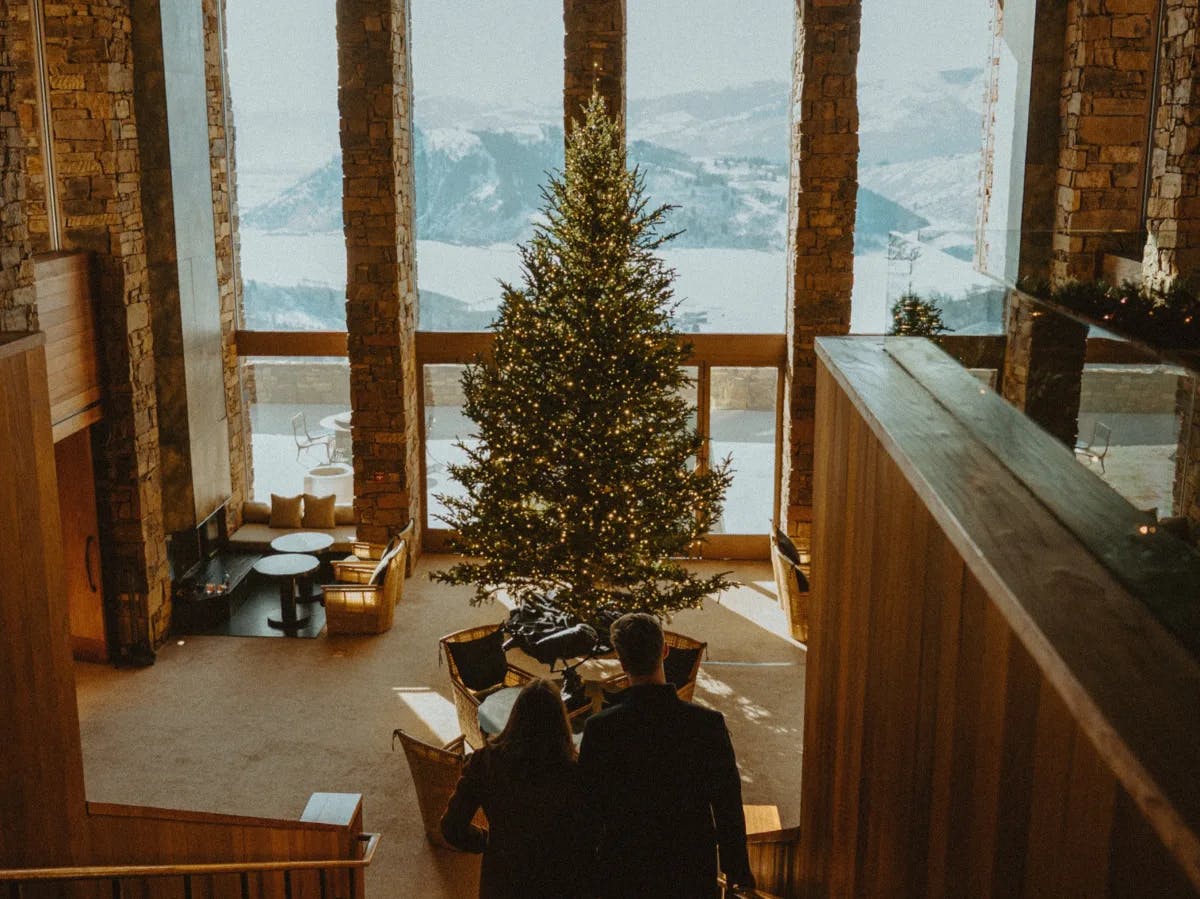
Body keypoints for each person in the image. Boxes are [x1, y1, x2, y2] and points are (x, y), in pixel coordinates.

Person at [579, 613, 756, 899]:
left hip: (623, 873)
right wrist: (738, 873)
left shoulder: (600, 729)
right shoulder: (706, 724)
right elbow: (727, 807)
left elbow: (587, 812)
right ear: (664, 651)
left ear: (622, 663)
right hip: (689, 873)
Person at [440, 678, 590, 899]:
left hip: (503, 882)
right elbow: (587, 836)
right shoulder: (576, 773)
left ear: (516, 716)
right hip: (558, 882)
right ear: (561, 721)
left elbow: (451, 827)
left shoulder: (484, 762)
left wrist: (488, 840)